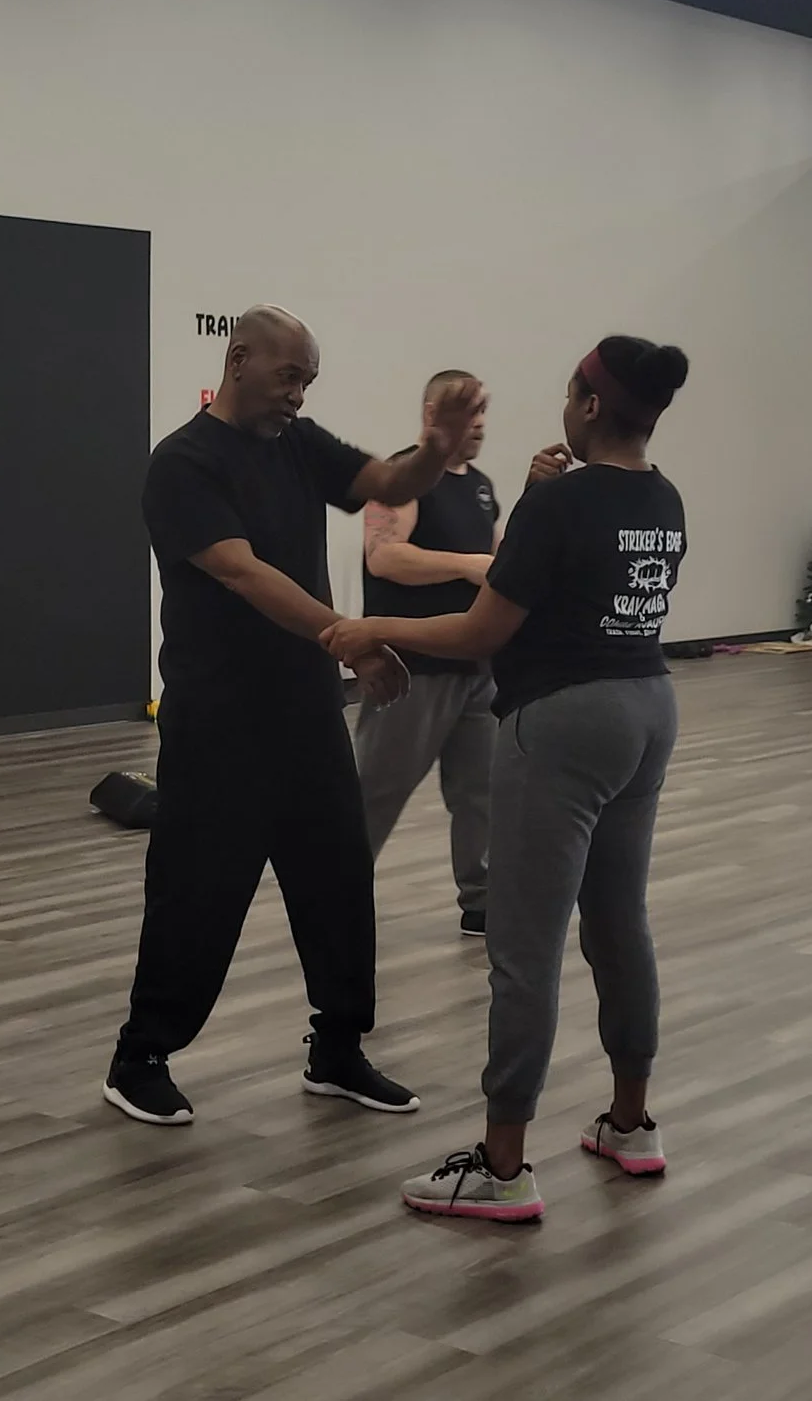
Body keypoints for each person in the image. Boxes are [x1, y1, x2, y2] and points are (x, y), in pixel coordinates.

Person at [324, 334, 691, 1223]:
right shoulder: (663, 495)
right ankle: (630, 1124)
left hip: (563, 723)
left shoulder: (560, 502)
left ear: (591, 405)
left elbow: (481, 632)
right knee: (620, 924)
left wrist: (372, 630)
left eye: (569, 392)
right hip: (648, 708)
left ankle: (502, 1166)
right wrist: (534, 500)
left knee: (523, 950)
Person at [105, 305, 489, 1127]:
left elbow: (389, 485)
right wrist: (347, 638)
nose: (298, 395)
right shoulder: (182, 463)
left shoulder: (299, 444)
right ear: (239, 358)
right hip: (218, 718)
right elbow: (242, 572)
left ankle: (337, 1050)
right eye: (289, 377)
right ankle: (141, 1058)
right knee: (198, 892)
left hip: (307, 711)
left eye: (308, 381)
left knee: (338, 881)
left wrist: (436, 450)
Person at [356, 369, 502, 936]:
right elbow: (384, 556)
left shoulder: (482, 487)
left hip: (477, 668)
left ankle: (483, 902)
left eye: (484, 412)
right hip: (411, 670)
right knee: (375, 791)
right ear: (432, 415)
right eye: (468, 413)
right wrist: (466, 566)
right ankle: (337, 886)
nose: (479, 425)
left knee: (482, 792)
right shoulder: (401, 477)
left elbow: (498, 566)